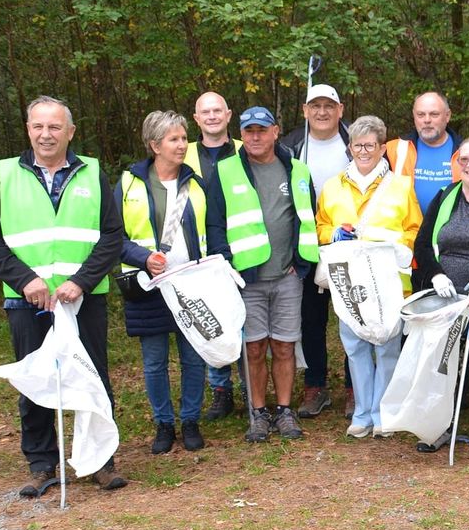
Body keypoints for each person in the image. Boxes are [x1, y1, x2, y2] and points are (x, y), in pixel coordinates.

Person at [0, 95, 127, 497]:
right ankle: (42, 464)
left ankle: (100, 461)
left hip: (83, 298)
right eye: (38, 126)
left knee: (92, 376)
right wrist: (25, 280)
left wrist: (83, 280)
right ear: (28, 129)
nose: (46, 134)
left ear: (70, 132)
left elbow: (112, 236)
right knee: (35, 380)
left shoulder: (92, 174)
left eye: (55, 127)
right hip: (28, 300)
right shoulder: (5, 176)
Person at [207, 106, 318, 443]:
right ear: (242, 134)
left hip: (286, 277)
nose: (255, 136)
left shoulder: (297, 170)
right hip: (247, 278)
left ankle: (284, 411)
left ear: (275, 131)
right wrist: (226, 264)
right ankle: (258, 413)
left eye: (261, 130)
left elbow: (306, 215)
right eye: (248, 131)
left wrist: (300, 263)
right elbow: (215, 223)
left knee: (284, 347)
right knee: (253, 349)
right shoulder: (226, 171)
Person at [116, 110, 223, 454]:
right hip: (148, 286)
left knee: (194, 357)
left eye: (183, 138)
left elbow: (215, 229)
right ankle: (164, 424)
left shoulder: (195, 183)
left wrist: (221, 266)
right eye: (174, 139)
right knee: (154, 361)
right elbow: (112, 237)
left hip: (191, 285)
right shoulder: (128, 184)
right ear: (154, 145)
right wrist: (142, 258)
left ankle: (190, 420)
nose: (182, 145)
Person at [315, 115, 422, 438]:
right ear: (350, 148)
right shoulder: (332, 186)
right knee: (356, 346)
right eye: (358, 145)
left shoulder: (401, 186)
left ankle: (383, 413)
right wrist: (333, 233)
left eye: (371, 145)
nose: (364, 151)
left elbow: (413, 229)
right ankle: (362, 413)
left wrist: (394, 245)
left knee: (387, 347)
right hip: (348, 280)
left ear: (381, 149)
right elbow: (320, 225)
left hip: (387, 280)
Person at [413, 137, 469, 451]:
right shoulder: (445, 196)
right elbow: (423, 245)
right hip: (448, 297)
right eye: (464, 159)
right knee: (446, 360)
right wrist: (436, 274)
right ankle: (442, 422)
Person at [284, 83, 352, 420]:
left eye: (329, 105)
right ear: (305, 110)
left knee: (353, 316)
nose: (322, 112)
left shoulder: (355, 141)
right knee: (311, 319)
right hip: (310, 244)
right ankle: (316, 385)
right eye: (316, 105)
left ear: (340, 110)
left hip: (350, 246)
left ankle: (355, 388)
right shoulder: (292, 146)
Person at [189, 91, 244, 421]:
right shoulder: (185, 153)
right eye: (204, 112)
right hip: (198, 251)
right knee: (210, 319)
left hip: (239, 246)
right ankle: (220, 389)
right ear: (196, 119)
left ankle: (249, 385)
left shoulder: (243, 149)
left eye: (217, 110)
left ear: (228, 115)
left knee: (240, 317)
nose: (211, 116)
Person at [386, 91, 463, 212]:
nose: (427, 120)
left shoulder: (466, 151)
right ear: (414, 116)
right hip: (408, 229)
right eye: (421, 114)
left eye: (434, 114)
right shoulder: (393, 150)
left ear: (447, 116)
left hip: (452, 229)